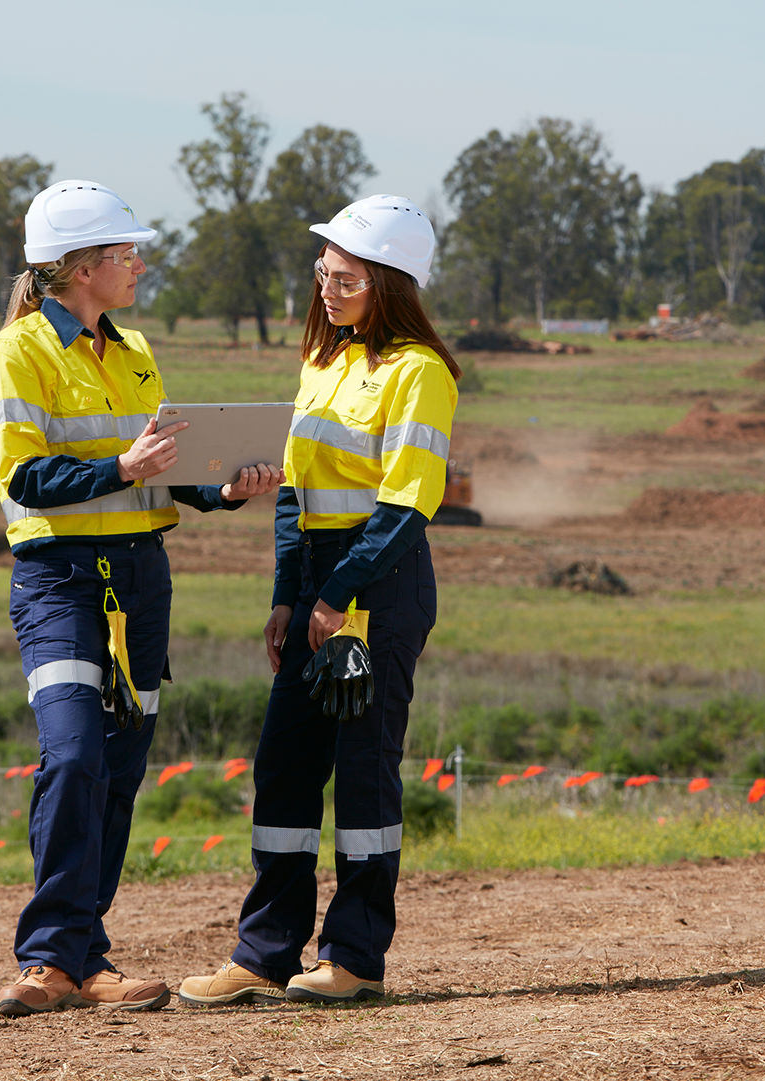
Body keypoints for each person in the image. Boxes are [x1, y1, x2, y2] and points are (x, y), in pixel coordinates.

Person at [0, 180, 280, 1017]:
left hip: (142, 579)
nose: (139, 263)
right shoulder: (16, 355)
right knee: (72, 754)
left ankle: (82, 959)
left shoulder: (135, 347)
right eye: (124, 253)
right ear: (76, 268)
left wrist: (228, 487)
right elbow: (27, 476)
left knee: (116, 771)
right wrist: (120, 468)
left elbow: (168, 471)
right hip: (62, 581)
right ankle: (47, 960)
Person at [179, 194, 461, 1006]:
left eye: (344, 278)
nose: (326, 289)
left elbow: (407, 503)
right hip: (318, 582)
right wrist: (286, 595)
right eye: (323, 273)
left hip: (377, 579)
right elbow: (294, 491)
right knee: (285, 765)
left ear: (390, 284)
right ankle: (264, 952)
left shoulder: (418, 374)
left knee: (363, 773)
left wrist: (336, 594)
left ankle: (354, 957)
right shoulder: (323, 360)